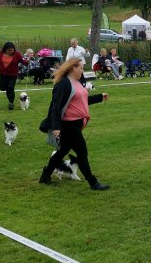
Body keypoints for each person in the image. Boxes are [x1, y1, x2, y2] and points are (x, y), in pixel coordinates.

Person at [38, 58, 110, 190]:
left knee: (62, 151)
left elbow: (82, 100)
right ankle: (93, 183)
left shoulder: (77, 82)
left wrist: (100, 97)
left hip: (77, 124)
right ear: (73, 68)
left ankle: (45, 176)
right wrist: (56, 127)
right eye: (81, 67)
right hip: (68, 125)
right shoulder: (63, 84)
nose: (83, 70)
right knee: (82, 152)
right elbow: (56, 106)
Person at [0, 42, 28, 110]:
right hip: (3, 75)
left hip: (13, 75)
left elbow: (23, 61)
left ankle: (11, 103)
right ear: (5, 49)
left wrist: (27, 61)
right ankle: (10, 100)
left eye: (12, 50)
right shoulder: (0, 53)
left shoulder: (17, 54)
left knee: (10, 87)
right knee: (5, 88)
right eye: (9, 50)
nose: (10, 52)